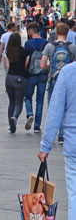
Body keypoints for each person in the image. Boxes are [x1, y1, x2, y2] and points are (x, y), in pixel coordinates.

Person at [38, 61, 76, 219]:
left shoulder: (68, 72)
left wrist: (45, 146)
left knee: (74, 194)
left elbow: (55, 111)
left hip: (73, 144)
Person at [40, 22, 76, 143]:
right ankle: (63, 134)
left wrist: (49, 66)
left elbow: (42, 64)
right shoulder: (72, 47)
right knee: (68, 107)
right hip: (70, 81)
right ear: (67, 33)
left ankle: (53, 135)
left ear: (56, 32)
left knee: (54, 107)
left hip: (54, 79)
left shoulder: (49, 46)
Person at [24, 22, 49, 133]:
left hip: (31, 74)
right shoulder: (46, 43)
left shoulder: (28, 44)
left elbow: (27, 59)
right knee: (40, 100)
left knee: (28, 97)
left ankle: (29, 113)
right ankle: (37, 127)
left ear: (30, 32)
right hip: (43, 74)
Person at [5, 32, 30, 133]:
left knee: (11, 102)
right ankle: (14, 118)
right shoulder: (26, 52)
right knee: (19, 102)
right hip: (20, 78)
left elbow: (8, 66)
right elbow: (26, 65)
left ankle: (10, 126)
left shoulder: (8, 51)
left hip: (9, 78)